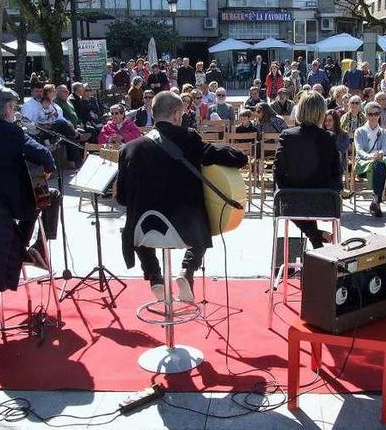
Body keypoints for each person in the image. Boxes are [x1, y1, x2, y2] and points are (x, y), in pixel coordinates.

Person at [117, 91, 247, 301]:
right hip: (184, 230)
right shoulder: (188, 138)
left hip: (143, 231)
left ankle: (155, 277)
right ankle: (187, 271)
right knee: (200, 217)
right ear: (177, 114)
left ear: (153, 112)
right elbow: (221, 155)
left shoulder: (129, 149)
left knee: (135, 217)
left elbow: (121, 198)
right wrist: (241, 156)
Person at [0, 84, 57, 258]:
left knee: (35, 195)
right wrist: (48, 170)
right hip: (12, 202)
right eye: (12, 106)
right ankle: (31, 247)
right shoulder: (12, 131)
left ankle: (19, 245)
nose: (13, 111)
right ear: (5, 109)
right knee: (49, 195)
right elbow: (44, 154)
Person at [274, 91, 342, 249]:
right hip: (324, 202)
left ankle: (314, 235)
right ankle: (315, 236)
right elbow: (336, 172)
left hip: (293, 201)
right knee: (304, 197)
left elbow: (278, 171)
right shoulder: (328, 137)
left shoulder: (287, 136)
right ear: (320, 113)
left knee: (289, 198)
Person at [354, 101, 386, 218]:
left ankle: (376, 200)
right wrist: (370, 156)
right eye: (370, 114)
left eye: (376, 114)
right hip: (364, 163)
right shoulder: (359, 131)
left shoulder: (384, 132)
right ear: (366, 115)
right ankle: (377, 202)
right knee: (379, 165)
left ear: (379, 115)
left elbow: (385, 148)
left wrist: (380, 153)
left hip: (379, 161)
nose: (373, 117)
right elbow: (359, 150)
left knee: (379, 165)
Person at [324, 109, 350, 176]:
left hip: (338, 166)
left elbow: (343, 148)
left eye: (330, 120)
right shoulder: (322, 133)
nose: (327, 123)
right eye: (325, 121)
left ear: (335, 121)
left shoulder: (344, 134)